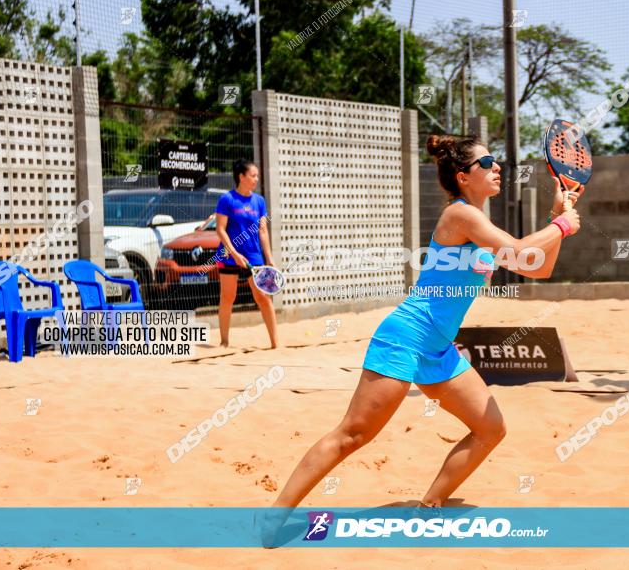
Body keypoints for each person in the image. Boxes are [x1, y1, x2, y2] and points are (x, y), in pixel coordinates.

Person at [266, 134, 581, 525]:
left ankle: (429, 505)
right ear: (463, 177)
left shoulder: (481, 222)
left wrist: (555, 220)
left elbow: (538, 267)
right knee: (354, 435)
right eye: (486, 163)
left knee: (490, 429)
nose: (497, 167)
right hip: (406, 337)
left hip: (438, 349)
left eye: (495, 161)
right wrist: (563, 225)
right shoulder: (460, 215)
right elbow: (520, 251)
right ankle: (275, 515)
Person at [215, 159, 278, 348]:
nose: (256, 179)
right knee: (227, 298)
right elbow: (220, 229)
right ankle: (224, 342)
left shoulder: (259, 201)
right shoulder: (227, 199)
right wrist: (234, 253)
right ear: (241, 177)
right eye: (253, 175)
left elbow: (263, 231)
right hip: (229, 255)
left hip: (253, 256)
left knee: (263, 297)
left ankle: (275, 344)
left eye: (257, 175)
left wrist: (270, 258)